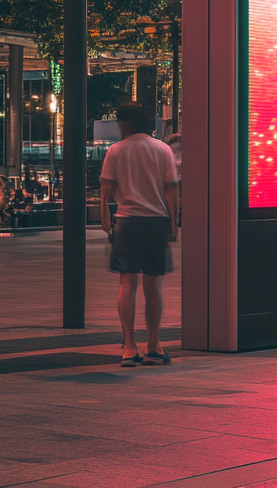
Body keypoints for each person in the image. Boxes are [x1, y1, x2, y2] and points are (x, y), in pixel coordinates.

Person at [99, 103, 179, 367]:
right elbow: (171, 190)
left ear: (126, 123)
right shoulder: (162, 149)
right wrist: (173, 222)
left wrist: (104, 217)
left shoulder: (116, 150)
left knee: (126, 284)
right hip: (156, 221)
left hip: (127, 221)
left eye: (121, 121)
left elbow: (106, 189)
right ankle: (153, 344)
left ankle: (130, 347)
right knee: (153, 285)